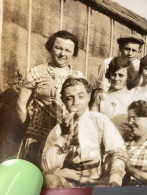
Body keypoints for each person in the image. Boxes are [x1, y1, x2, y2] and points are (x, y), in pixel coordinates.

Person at [41, 77, 126, 188]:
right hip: (68, 180)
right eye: (69, 98)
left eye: (81, 97)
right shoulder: (59, 129)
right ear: (63, 101)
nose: (75, 102)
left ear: (89, 97)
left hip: (95, 179)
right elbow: (48, 168)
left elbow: (118, 151)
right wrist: (64, 136)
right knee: (48, 180)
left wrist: (115, 180)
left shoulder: (100, 120)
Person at [16, 30, 84, 167]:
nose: (62, 54)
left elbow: (81, 109)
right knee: (33, 177)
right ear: (51, 48)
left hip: (63, 138)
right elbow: (20, 105)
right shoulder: (37, 71)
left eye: (67, 50)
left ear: (73, 53)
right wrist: (28, 129)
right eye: (58, 48)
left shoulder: (77, 76)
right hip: (37, 138)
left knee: (58, 180)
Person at [91, 56, 136, 141]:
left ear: (128, 76)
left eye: (121, 75)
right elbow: (93, 124)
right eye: (113, 74)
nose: (116, 79)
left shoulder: (134, 97)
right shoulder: (101, 97)